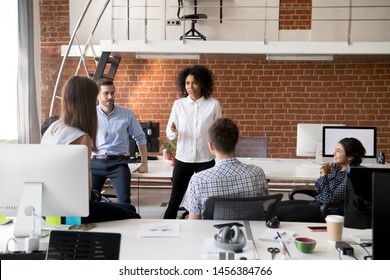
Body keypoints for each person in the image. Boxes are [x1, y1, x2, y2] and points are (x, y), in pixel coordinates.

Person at [41, 76, 140, 223]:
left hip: (48, 207)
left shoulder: (54, 128)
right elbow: (85, 194)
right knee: (133, 215)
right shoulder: (81, 137)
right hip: (70, 211)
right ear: (87, 103)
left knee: (127, 207)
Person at [163, 65, 222, 219]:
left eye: (194, 82)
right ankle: (165, 229)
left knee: (207, 199)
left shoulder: (213, 104)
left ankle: (204, 229)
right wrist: (174, 131)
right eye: (187, 83)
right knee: (175, 199)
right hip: (184, 158)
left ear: (202, 83)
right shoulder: (179, 104)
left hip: (206, 158)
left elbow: (218, 131)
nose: (190, 87)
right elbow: (169, 134)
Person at [182, 117, 269, 219]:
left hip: (213, 234)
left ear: (211, 146)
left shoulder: (198, 180)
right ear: (236, 142)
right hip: (252, 232)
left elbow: (193, 223)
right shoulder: (257, 173)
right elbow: (264, 206)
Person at [276, 137, 366, 222]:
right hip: (318, 203)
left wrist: (324, 175)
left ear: (350, 157)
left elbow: (328, 199)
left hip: (328, 211)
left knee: (277, 213)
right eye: (335, 149)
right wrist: (324, 175)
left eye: (338, 151)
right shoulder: (336, 167)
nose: (333, 153)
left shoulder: (351, 176)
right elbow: (318, 189)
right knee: (274, 207)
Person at [91, 78, 148, 204]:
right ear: (98, 95)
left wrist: (144, 163)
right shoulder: (90, 114)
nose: (110, 96)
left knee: (124, 201)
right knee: (89, 201)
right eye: (106, 93)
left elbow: (140, 137)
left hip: (118, 163)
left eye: (112, 93)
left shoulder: (126, 113)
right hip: (95, 163)